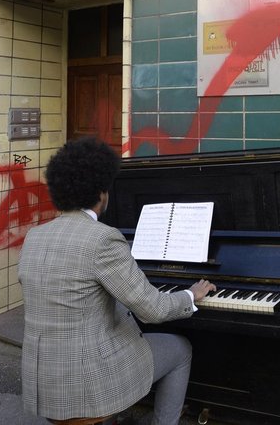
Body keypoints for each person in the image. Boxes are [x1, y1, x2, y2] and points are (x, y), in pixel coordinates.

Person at [19, 136, 215, 425]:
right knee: (180, 348)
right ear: (102, 193)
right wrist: (190, 295)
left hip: (44, 380)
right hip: (87, 383)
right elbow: (154, 310)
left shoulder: (34, 236)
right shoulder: (103, 239)